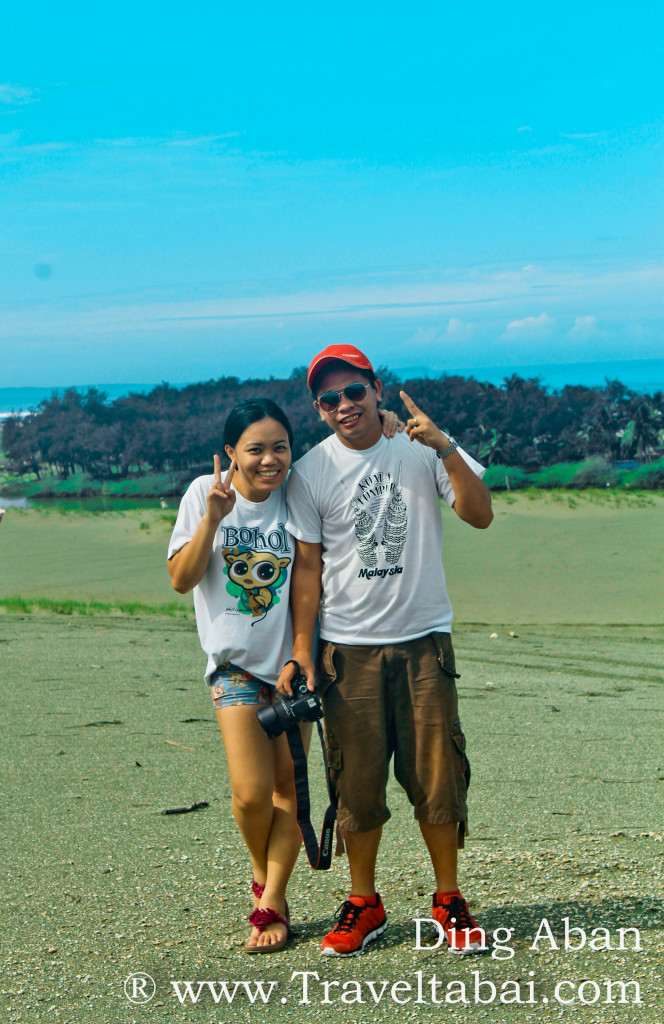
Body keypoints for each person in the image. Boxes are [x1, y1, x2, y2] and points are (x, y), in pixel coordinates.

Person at [278, 344, 494, 957]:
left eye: (354, 391)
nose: (344, 406)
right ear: (318, 410)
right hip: (348, 652)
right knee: (358, 783)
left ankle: (449, 898)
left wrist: (445, 445)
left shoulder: (422, 447)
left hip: (424, 641)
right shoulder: (311, 472)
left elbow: (480, 514)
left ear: (377, 389)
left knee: (437, 774)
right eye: (329, 399)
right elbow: (309, 571)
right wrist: (302, 650)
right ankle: (364, 900)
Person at [167, 396, 401, 953]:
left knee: (286, 793)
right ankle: (263, 876)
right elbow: (182, 578)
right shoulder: (204, 493)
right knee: (250, 796)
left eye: (280, 448)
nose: (269, 460)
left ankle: (270, 900)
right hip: (233, 668)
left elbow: (305, 581)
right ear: (230, 453)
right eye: (255, 449)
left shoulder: (295, 492)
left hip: (289, 673)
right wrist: (213, 520)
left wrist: (301, 654)